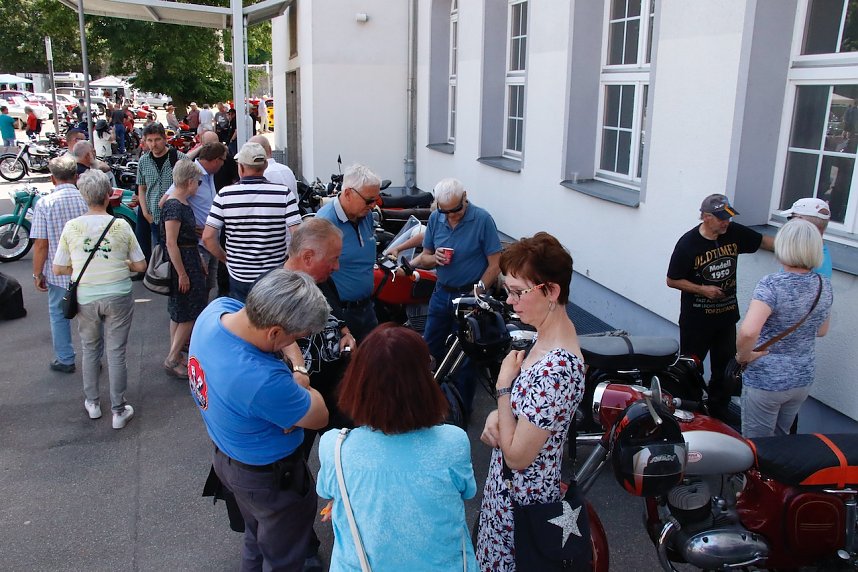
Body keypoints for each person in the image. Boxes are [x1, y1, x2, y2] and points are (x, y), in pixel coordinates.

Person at [188, 269, 330, 572]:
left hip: (229, 461)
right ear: (275, 333)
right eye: (296, 337)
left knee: (257, 536)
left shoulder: (216, 312)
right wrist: (301, 377)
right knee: (283, 556)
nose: (297, 343)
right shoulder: (262, 379)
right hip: (270, 478)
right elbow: (319, 416)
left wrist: (293, 383)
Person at [317, 324, 478, 572]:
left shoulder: (334, 447)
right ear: (423, 383)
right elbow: (466, 491)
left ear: (357, 382)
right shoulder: (453, 442)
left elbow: (333, 491)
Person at [476, 232, 586, 571]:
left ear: (551, 291)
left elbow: (519, 456)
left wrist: (503, 390)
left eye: (518, 292)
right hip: (508, 499)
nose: (510, 301)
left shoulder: (559, 368)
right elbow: (526, 416)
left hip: (522, 508)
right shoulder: (543, 338)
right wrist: (498, 414)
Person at [52, 170, 147, 429]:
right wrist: (122, 263)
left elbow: (58, 268)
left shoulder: (72, 227)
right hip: (118, 294)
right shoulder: (120, 225)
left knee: (90, 349)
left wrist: (83, 267)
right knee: (116, 352)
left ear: (84, 196)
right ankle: (118, 410)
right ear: (108, 195)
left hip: (86, 295)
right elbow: (140, 265)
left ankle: (92, 403)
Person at [666, 194, 774, 419]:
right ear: (706, 217)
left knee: (725, 368)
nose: (727, 222)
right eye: (721, 218)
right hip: (696, 320)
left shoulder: (733, 234)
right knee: (690, 367)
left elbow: (763, 241)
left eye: (729, 217)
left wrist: (798, 251)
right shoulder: (688, 244)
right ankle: (690, 410)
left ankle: (718, 411)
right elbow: (672, 279)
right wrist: (703, 289)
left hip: (725, 318)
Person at [410, 178, 502, 413]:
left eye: (456, 210)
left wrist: (478, 290)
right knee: (428, 350)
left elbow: (495, 264)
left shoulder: (482, 219)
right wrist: (434, 259)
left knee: (464, 357)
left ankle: (460, 412)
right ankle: (427, 405)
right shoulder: (435, 218)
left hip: (469, 295)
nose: (451, 216)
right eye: (446, 211)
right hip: (442, 293)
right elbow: (426, 256)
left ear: (465, 197)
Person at [737, 219, 833, 438]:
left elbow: (748, 331)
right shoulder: (823, 284)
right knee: (782, 443)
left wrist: (743, 356)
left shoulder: (772, 284)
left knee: (757, 448)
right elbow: (822, 330)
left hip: (767, 379)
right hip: (802, 378)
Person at [202, 142, 302, 302]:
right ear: (265, 166)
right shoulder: (284, 194)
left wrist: (227, 259)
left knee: (244, 321)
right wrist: (286, 260)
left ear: (240, 167)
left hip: (239, 275)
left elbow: (208, 237)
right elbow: (298, 236)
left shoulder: (225, 195)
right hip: (273, 276)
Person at [30, 155, 88, 373]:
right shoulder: (86, 199)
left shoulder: (44, 204)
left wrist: (37, 274)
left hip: (58, 273)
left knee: (58, 315)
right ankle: (93, 357)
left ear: (53, 179)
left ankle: (65, 359)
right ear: (75, 176)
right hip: (88, 270)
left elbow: (41, 245)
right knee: (90, 317)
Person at [316, 164, 382, 341]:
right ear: (347, 193)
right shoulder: (325, 222)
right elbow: (314, 276)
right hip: (339, 315)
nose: (373, 205)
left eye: (376, 199)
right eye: (369, 200)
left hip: (367, 310)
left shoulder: (365, 215)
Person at [161, 138, 227, 298]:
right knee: (196, 293)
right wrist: (189, 228)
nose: (223, 164)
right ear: (216, 160)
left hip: (209, 241)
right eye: (223, 160)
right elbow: (166, 202)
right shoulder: (192, 172)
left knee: (207, 287)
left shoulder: (208, 174)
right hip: (197, 245)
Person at [161, 160, 209, 379]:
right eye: (198, 182)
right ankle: (172, 358)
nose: (199, 185)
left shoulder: (178, 202)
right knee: (190, 312)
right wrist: (182, 273)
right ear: (189, 182)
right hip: (183, 263)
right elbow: (171, 243)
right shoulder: (175, 205)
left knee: (180, 312)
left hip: (188, 260)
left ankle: (177, 353)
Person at [136, 123, 188, 250]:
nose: (154, 144)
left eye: (157, 139)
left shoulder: (179, 158)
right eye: (150, 140)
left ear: (165, 139)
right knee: (159, 256)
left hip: (176, 217)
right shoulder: (143, 161)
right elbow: (142, 188)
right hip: (155, 218)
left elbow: (190, 187)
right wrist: (145, 213)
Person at [780, 197, 833, 279]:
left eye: (791, 218)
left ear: (800, 221)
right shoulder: (816, 254)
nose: (789, 223)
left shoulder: (809, 259)